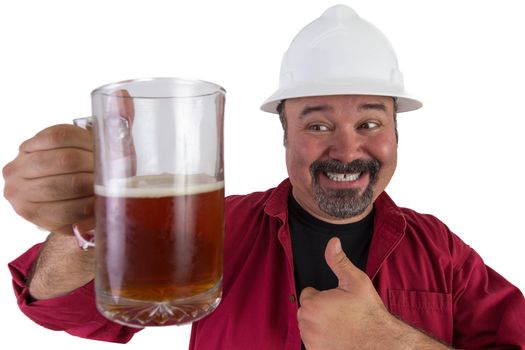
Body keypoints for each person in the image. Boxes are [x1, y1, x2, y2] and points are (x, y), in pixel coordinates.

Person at [3, 5, 524, 349]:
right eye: (317, 124)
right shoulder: (216, 227)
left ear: (395, 132)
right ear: (283, 133)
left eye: (369, 122)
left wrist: (387, 341)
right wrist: (92, 225)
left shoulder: (441, 250)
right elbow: (59, 311)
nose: (347, 148)